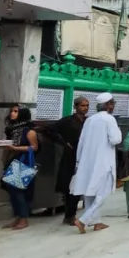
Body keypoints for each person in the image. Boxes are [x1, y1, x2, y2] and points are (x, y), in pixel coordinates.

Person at [70, 93, 121, 234]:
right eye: (112, 103)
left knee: (90, 193)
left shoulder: (90, 120)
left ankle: (96, 222)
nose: (113, 106)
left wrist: (79, 161)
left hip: (87, 162)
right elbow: (115, 139)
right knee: (102, 193)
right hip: (103, 162)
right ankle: (83, 220)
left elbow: (81, 142)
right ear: (108, 105)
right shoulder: (109, 120)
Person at [41, 96, 88, 225]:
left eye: (86, 106)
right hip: (70, 157)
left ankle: (72, 214)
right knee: (69, 186)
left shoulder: (88, 122)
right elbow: (49, 130)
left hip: (84, 157)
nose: (84, 108)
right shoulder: (67, 121)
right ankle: (69, 215)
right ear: (76, 107)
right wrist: (63, 142)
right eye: (82, 105)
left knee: (80, 185)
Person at [1, 106, 39, 230]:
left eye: (16, 111)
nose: (12, 113)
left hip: (24, 161)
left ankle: (23, 219)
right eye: (11, 111)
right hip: (12, 160)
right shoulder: (12, 129)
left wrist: (15, 149)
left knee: (18, 190)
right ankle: (18, 217)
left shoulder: (29, 131)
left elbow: (34, 147)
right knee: (12, 191)